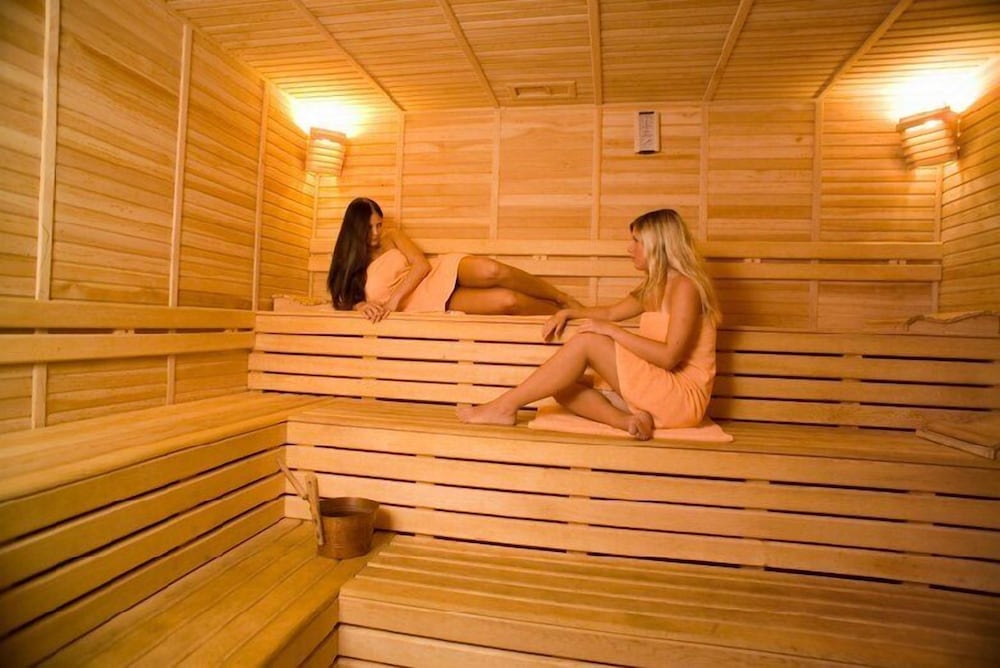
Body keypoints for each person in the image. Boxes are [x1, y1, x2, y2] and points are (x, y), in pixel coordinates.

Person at [457, 208, 721, 441]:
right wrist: (568, 312)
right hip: (659, 388)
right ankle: (629, 422)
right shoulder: (655, 286)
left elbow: (668, 357)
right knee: (562, 385)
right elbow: (610, 312)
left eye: (636, 241)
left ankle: (503, 407)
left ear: (657, 245)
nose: (629, 248)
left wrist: (612, 332)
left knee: (588, 341)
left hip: (681, 398)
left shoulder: (685, 287)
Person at [327, 197, 582, 322]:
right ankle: (567, 315)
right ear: (355, 229)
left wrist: (393, 301)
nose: (376, 233)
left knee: (492, 270)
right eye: (369, 228)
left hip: (435, 274)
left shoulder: (391, 236)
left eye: (379, 225)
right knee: (508, 302)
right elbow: (340, 298)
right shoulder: (347, 265)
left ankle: (560, 297)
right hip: (424, 301)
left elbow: (421, 265)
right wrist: (360, 306)